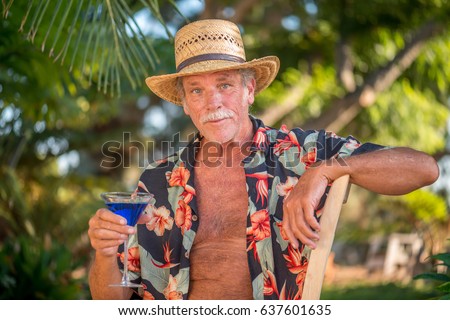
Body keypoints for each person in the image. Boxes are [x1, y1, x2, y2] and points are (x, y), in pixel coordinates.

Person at [87, 19, 439, 300]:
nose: (213, 103)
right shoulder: (156, 181)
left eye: (224, 85)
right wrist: (104, 252)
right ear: (184, 102)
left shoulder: (300, 153)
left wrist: (325, 170)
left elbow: (423, 168)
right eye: (197, 90)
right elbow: (111, 303)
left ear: (249, 89)